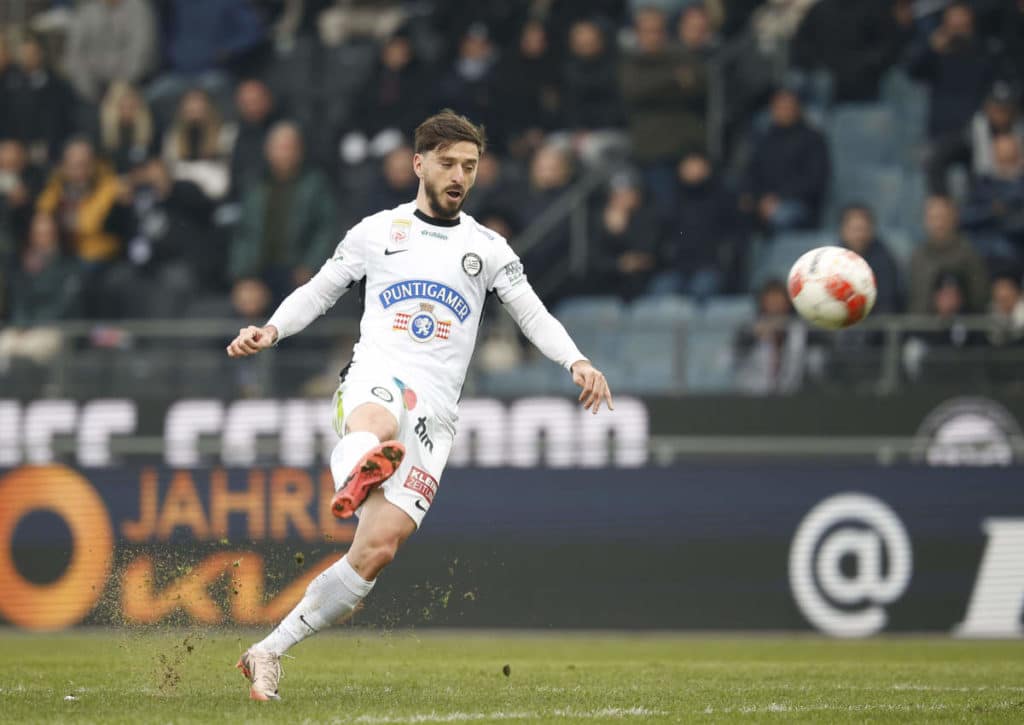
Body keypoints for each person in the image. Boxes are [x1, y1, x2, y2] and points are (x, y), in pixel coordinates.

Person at [226, 110, 612, 700]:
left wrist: (576, 361)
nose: (460, 176)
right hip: (376, 374)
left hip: (436, 413)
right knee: (376, 423)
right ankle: (356, 472)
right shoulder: (376, 232)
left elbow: (531, 312)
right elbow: (321, 291)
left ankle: (267, 651)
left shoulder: (487, 248)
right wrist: (271, 329)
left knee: (376, 551)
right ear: (418, 164)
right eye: (448, 163)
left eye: (470, 166)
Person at [229, 121, 337, 300]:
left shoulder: (315, 184)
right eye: (279, 148)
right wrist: (243, 277)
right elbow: (244, 233)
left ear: (300, 151)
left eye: (289, 148)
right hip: (259, 271)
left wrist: (311, 267)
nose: (284, 154)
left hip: (299, 270)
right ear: (267, 150)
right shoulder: (255, 185)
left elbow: (326, 229)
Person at [740, 87, 830, 232]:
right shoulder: (764, 139)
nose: (783, 111)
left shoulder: (813, 139)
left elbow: (815, 180)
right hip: (764, 202)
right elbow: (752, 173)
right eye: (779, 107)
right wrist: (753, 197)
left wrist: (778, 198)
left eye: (788, 107)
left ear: (798, 109)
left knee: (780, 215)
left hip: (799, 204)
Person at [64, 0, 158, 104]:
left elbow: (141, 51)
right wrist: (89, 90)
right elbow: (74, 53)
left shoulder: (138, 8)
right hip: (92, 89)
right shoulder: (86, 10)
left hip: (132, 86)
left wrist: (120, 87)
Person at [908, 195, 989, 314]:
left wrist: (960, 301)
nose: (938, 224)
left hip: (962, 323)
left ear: (954, 218)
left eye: (943, 217)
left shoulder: (969, 255)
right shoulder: (917, 257)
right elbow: (912, 303)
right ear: (925, 221)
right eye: (933, 218)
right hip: (923, 323)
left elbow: (980, 300)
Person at [837, 205, 903, 313]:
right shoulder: (832, 260)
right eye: (854, 230)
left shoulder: (885, 261)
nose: (859, 235)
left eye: (863, 229)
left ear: (871, 230)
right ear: (843, 230)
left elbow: (886, 304)